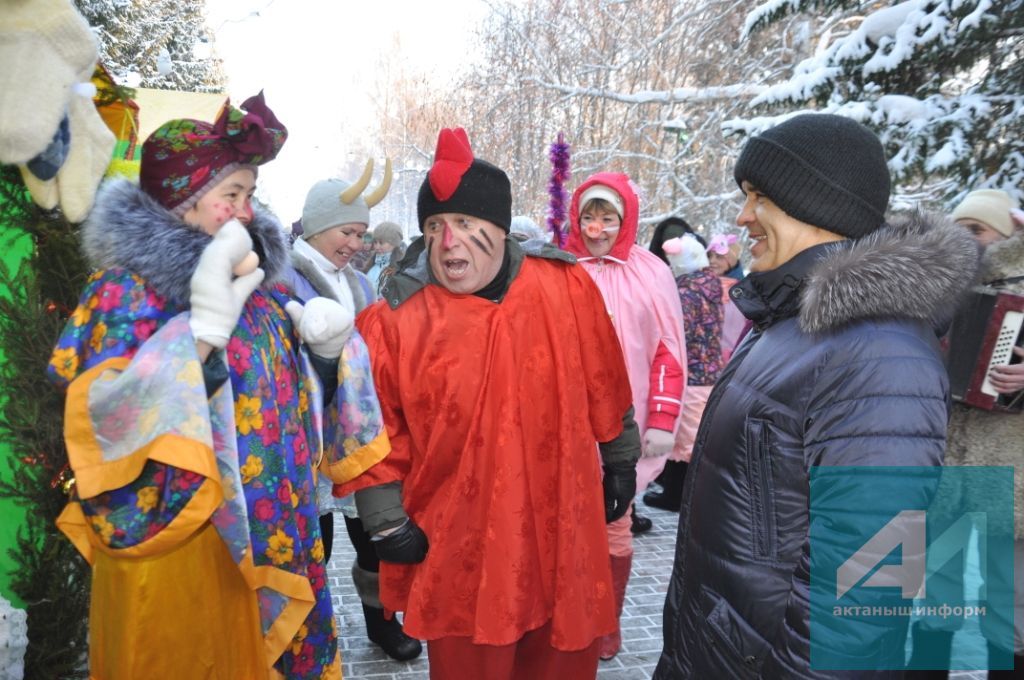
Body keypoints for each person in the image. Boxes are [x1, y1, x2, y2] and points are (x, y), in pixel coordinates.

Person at [654, 113, 980, 679]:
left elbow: (867, 592)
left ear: (816, 205)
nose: (742, 216)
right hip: (723, 645)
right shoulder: (792, 321)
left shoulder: (881, 350)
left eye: (760, 197)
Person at [48, 94, 353, 679]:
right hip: (183, 541)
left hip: (273, 526)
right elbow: (101, 419)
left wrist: (326, 361)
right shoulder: (125, 293)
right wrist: (199, 344)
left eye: (250, 194)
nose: (244, 212)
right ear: (181, 204)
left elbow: (281, 403)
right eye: (230, 196)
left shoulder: (260, 288)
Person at [336, 127, 642, 680]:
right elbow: (373, 422)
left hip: (562, 527)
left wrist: (619, 458)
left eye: (466, 224)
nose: (448, 241)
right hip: (462, 545)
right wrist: (383, 520)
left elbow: (605, 377)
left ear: (500, 229)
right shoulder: (396, 322)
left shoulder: (566, 289)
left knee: (560, 658)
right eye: (434, 226)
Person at [288, 172, 422, 661]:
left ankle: (382, 624)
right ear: (318, 226)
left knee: (373, 540)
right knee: (310, 546)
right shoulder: (283, 278)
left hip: (361, 438)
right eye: (347, 231)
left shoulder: (363, 284)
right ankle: (308, 635)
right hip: (306, 439)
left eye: (362, 234)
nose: (356, 242)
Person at [564, 173, 686, 660]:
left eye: (607, 218)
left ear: (625, 220)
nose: (596, 228)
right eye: (588, 217)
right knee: (567, 527)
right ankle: (570, 615)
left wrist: (661, 421)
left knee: (615, 521)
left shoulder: (650, 272)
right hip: (566, 430)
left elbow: (668, 353)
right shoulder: (560, 270)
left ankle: (606, 624)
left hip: (623, 432)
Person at [906, 189, 1023, 678]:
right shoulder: (936, 284)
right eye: (959, 228)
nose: (965, 239)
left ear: (1009, 235)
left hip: (1012, 467)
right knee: (936, 589)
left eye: (977, 229)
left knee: (1010, 597)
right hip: (944, 458)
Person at [643, 234, 724, 515]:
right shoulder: (711, 284)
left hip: (691, 375)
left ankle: (677, 497)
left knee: (685, 442)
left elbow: (678, 334)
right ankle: (682, 494)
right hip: (711, 372)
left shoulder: (687, 293)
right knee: (695, 437)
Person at [366, 221, 406, 291]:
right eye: (375, 242)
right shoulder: (371, 264)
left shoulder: (402, 269)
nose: (377, 247)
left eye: (381, 243)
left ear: (394, 244)